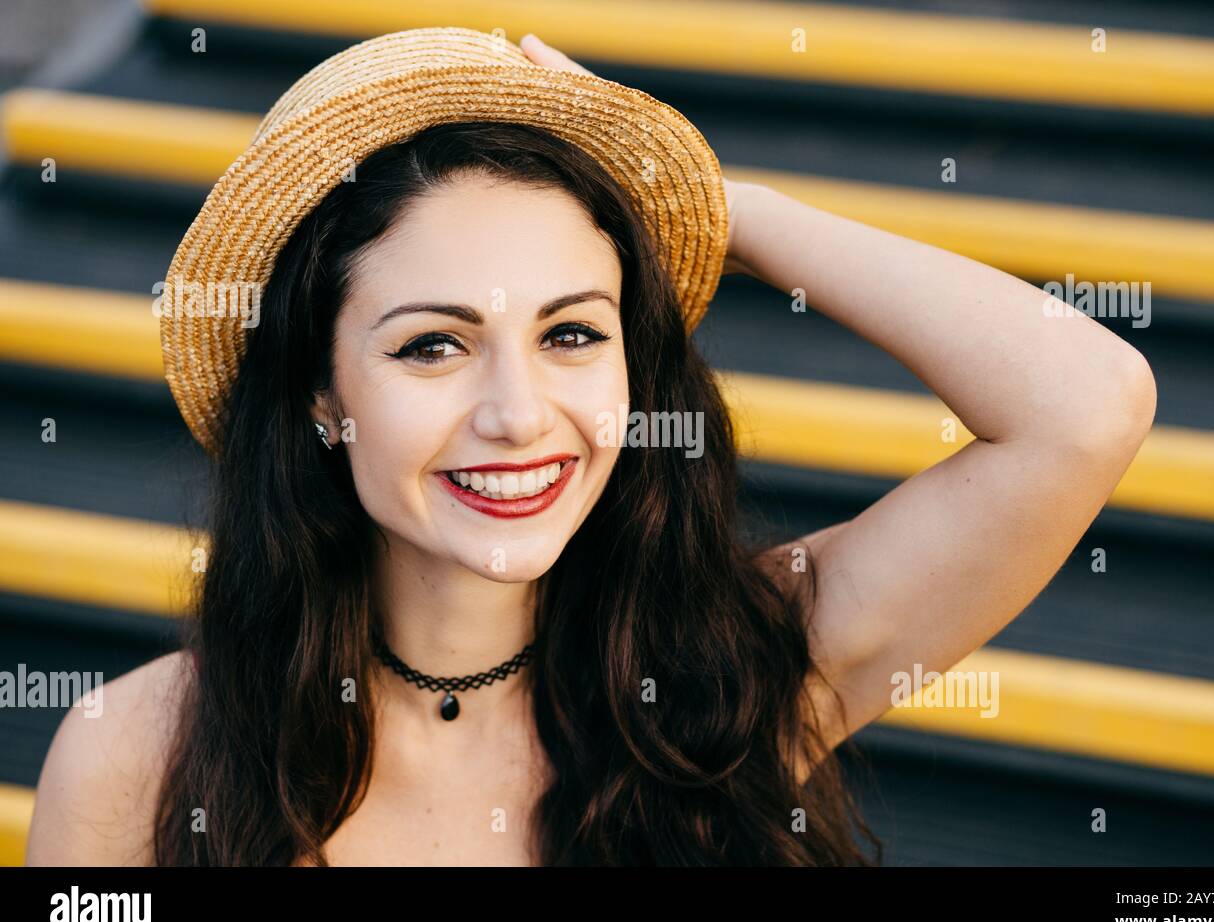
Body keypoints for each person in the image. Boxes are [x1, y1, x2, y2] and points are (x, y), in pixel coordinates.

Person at [25, 30, 1155, 866]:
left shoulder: (729, 674)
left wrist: (717, 204)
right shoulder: (135, 755)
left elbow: (1085, 403)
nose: (520, 413)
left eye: (571, 332)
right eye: (432, 346)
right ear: (323, 397)